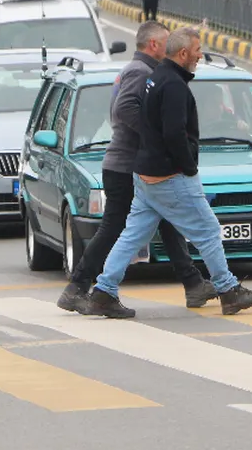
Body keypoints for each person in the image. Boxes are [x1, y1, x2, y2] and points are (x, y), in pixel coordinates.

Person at [82, 26, 252, 319]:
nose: (199, 55)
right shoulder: (173, 86)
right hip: (169, 176)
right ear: (183, 53)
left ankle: (104, 292)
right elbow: (173, 133)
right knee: (207, 230)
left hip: (145, 174)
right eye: (197, 50)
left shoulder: (156, 78)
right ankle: (229, 291)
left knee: (132, 235)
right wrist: (189, 166)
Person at [57, 20, 214, 313]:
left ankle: (193, 285)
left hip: (135, 164)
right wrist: (154, 135)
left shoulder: (142, 71)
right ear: (153, 45)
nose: (169, 49)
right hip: (126, 165)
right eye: (166, 43)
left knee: (168, 223)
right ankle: (77, 287)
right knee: (114, 229)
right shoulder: (141, 72)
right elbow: (124, 109)